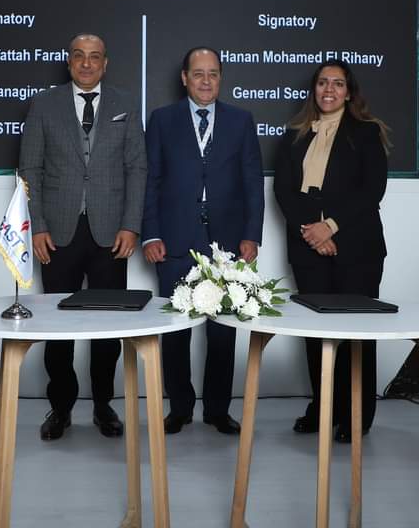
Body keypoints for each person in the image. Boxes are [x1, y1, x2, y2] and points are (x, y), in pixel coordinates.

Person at [19, 33, 147, 440]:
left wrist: (131, 225)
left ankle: (104, 404)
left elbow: (137, 168)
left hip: (112, 234)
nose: (86, 63)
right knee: (59, 327)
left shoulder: (126, 104)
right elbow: (30, 169)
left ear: (105, 63)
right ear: (69, 61)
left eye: (94, 57)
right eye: (79, 56)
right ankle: (60, 407)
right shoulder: (44, 104)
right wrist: (38, 226)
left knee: (108, 326)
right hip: (58, 233)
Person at [142, 46, 264, 435]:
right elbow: (150, 181)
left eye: (213, 74)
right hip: (175, 239)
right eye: (198, 74)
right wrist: (151, 233)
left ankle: (217, 409)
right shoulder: (162, 120)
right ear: (184, 78)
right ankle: (179, 408)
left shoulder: (241, 120)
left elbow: (253, 182)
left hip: (227, 243)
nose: (206, 81)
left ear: (220, 78)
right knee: (175, 330)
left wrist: (251, 235)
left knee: (223, 331)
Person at [273, 60, 389, 442]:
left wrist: (331, 227)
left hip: (357, 247)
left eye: (338, 83)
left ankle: (356, 416)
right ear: (314, 89)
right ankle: (324, 409)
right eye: (323, 82)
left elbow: (372, 191)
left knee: (356, 335)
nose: (329, 89)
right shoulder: (295, 135)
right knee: (316, 334)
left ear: (349, 92)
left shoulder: (366, 133)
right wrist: (313, 233)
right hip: (308, 245)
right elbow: (284, 190)